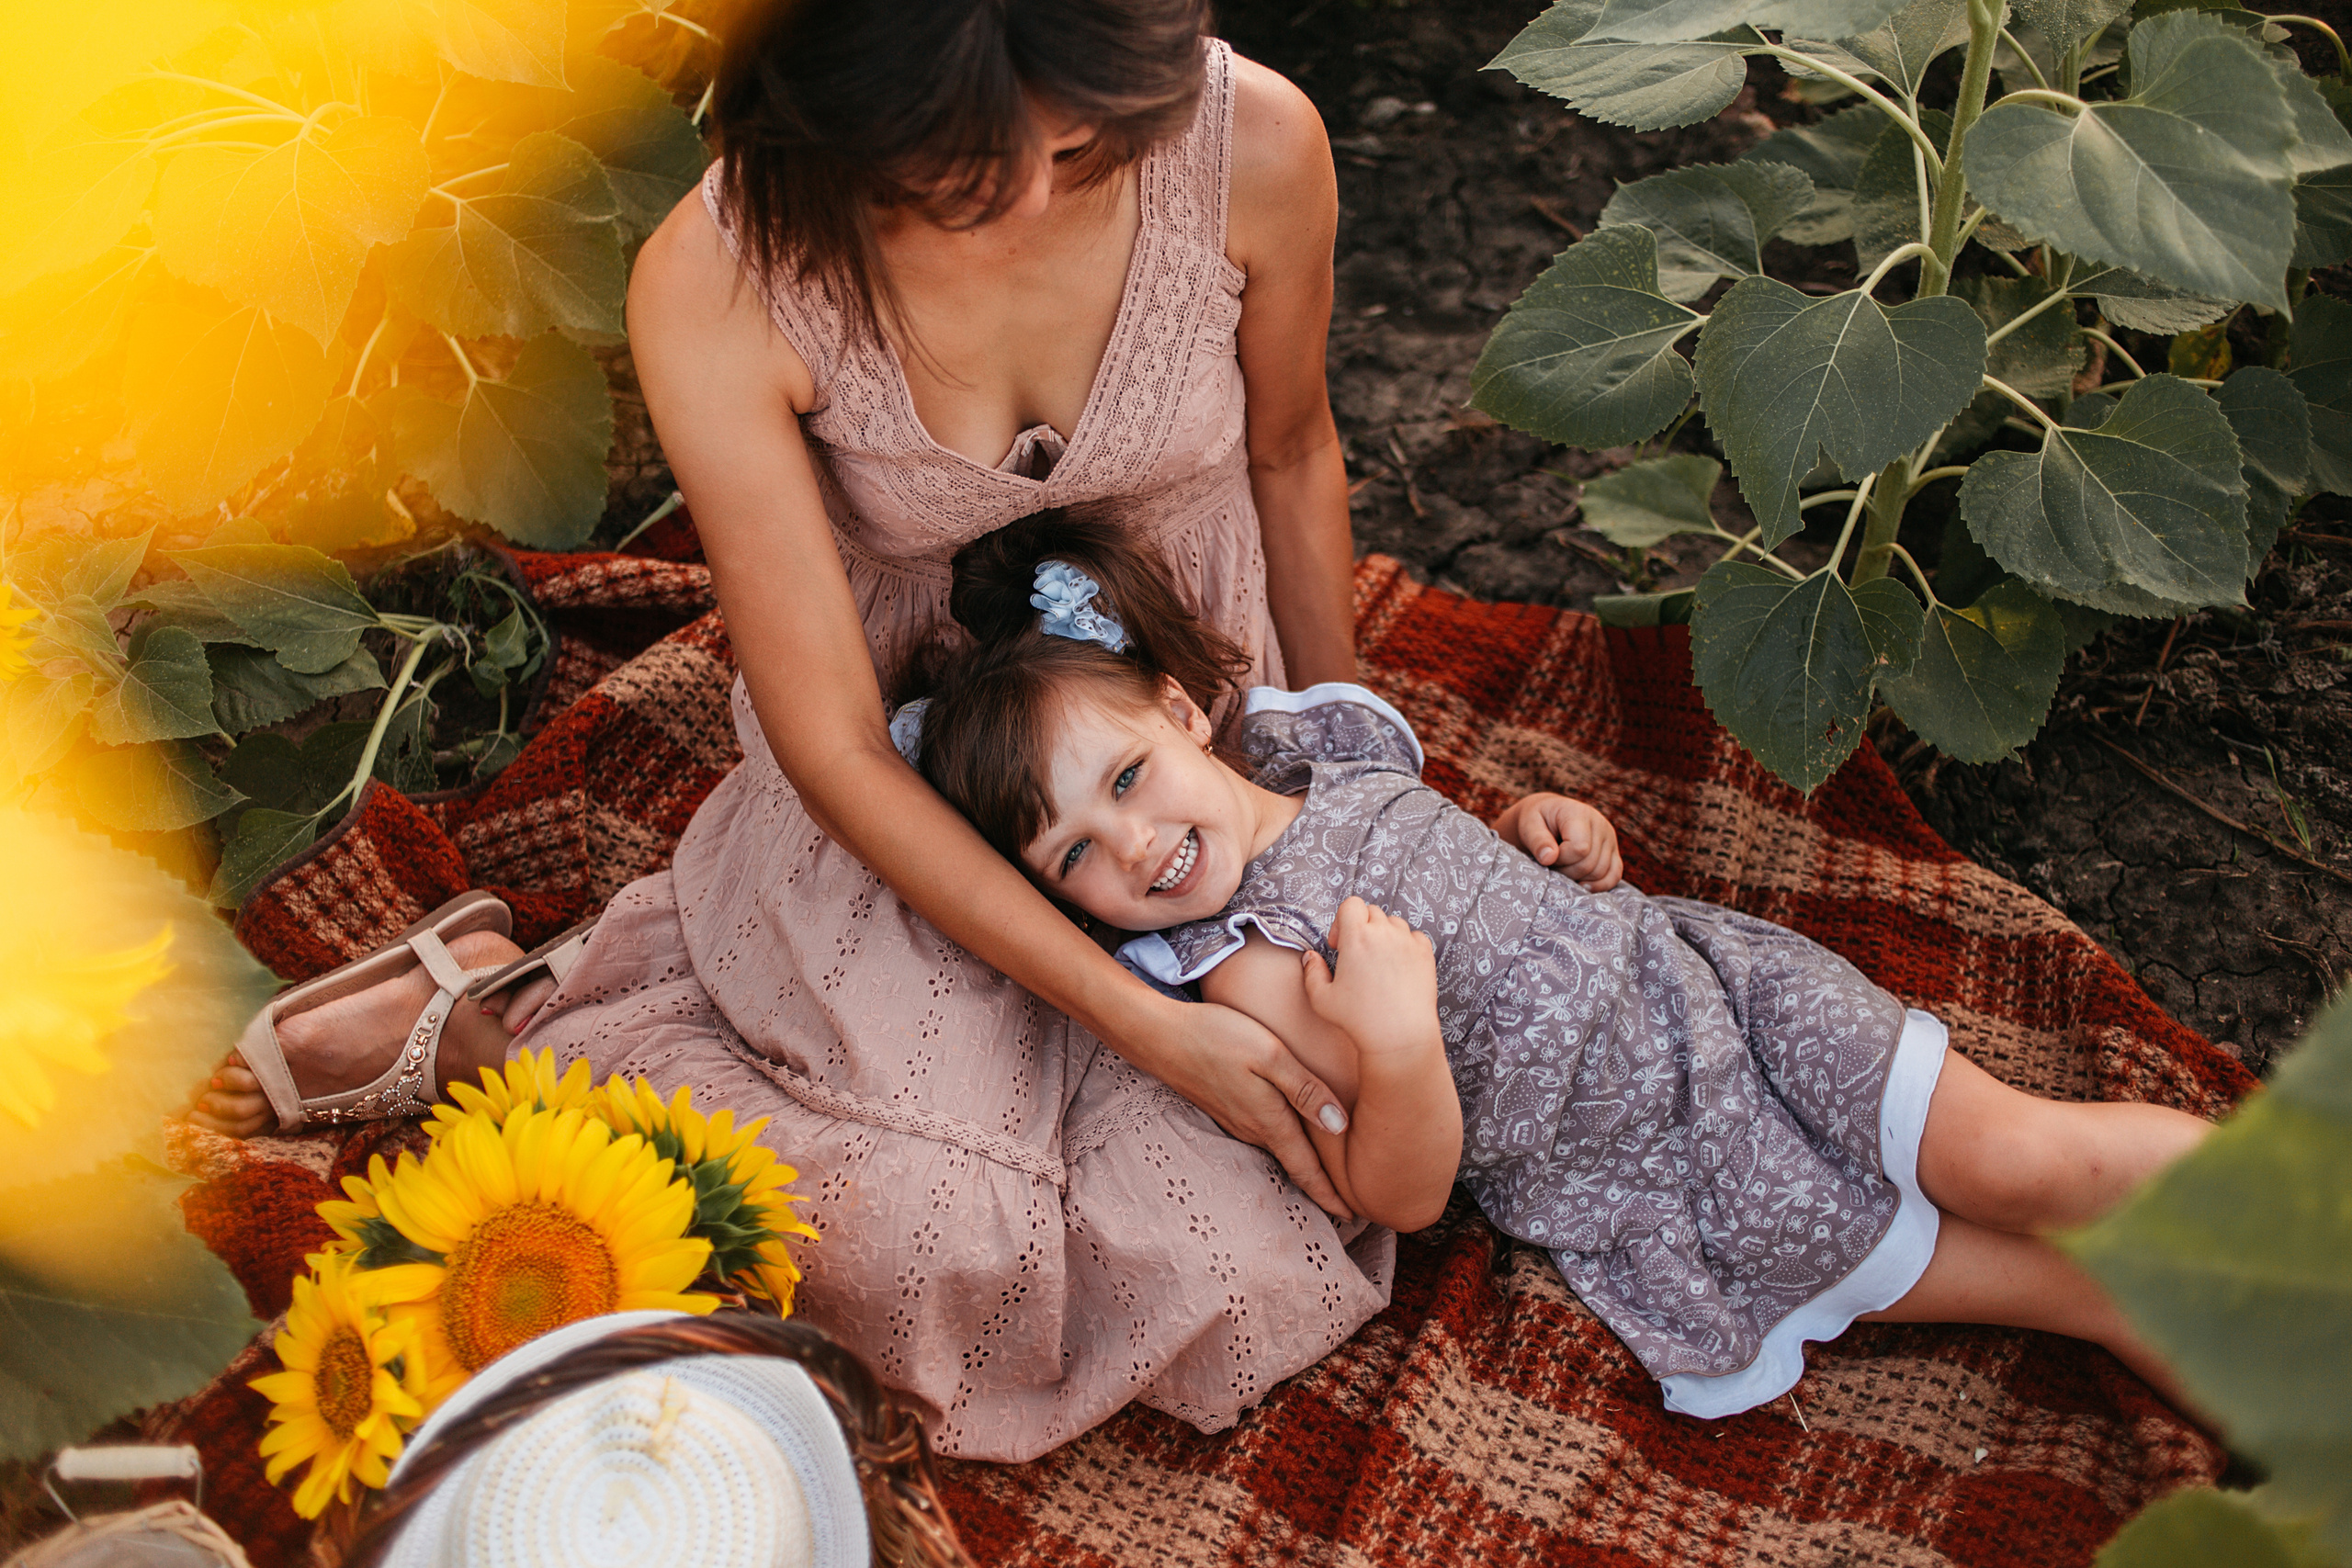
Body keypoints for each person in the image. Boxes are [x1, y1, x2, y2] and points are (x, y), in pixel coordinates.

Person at [189, 0, 1588, 1461]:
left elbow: (1290, 449)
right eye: (963, 178)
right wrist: (1150, 1026)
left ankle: (575, 1000)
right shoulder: (724, 279)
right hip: (928, 774)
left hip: (1175, 731)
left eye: (1083, 145)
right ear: (836, 130)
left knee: (1283, 1186)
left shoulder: (1256, 143)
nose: (1040, 197)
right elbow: (842, 751)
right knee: (945, 1232)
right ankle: (515, 1019)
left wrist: (1335, 774)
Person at [904, 511, 2214, 1418]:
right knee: (2055, 1287)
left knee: (2022, 1160)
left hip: (1711, 997)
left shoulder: (1329, 765)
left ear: (1187, 716)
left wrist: (1549, 838)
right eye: (1075, 855)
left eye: (1128, 779)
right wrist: (1402, 1042)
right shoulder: (1237, 965)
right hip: (1645, 1162)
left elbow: (1462, 862)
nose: (1132, 846)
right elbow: (1396, 1192)